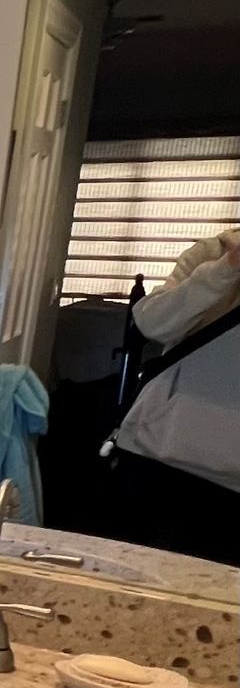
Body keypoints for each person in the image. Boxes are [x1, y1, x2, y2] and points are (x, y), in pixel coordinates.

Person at [102, 227, 240, 563]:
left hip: (232, 483)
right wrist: (227, 268)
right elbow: (152, 322)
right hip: (155, 454)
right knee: (126, 576)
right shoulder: (215, 251)